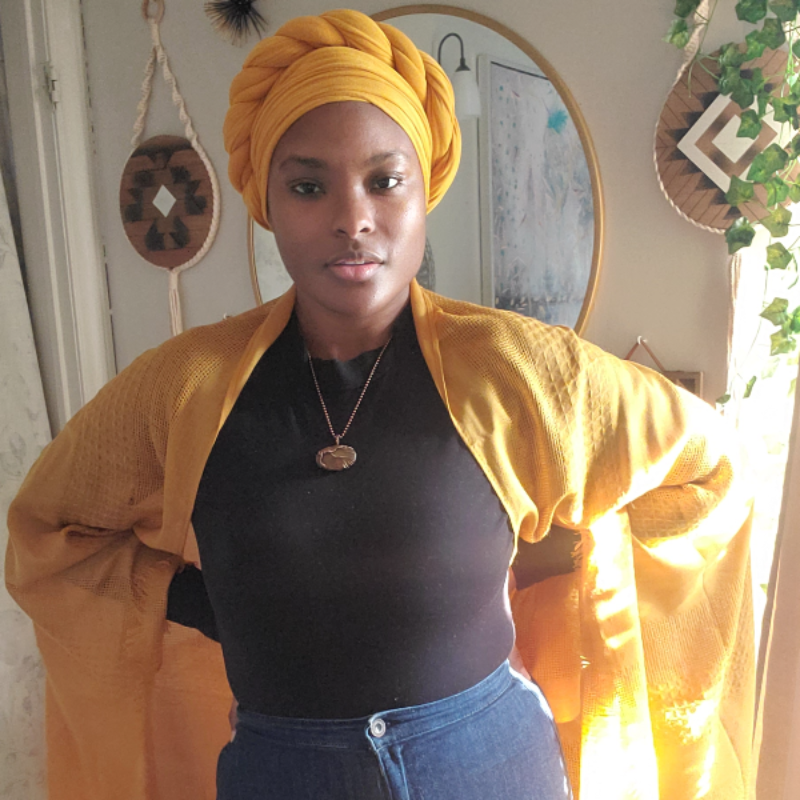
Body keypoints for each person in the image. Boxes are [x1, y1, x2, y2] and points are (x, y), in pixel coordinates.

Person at [6, 9, 754, 800]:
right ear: (267, 202)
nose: (352, 218)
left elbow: (703, 468)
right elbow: (51, 530)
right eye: (308, 186)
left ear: (425, 189)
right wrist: (208, 602)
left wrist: (560, 575)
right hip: (280, 775)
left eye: (384, 181)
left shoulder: (520, 369)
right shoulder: (182, 386)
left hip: (491, 766)